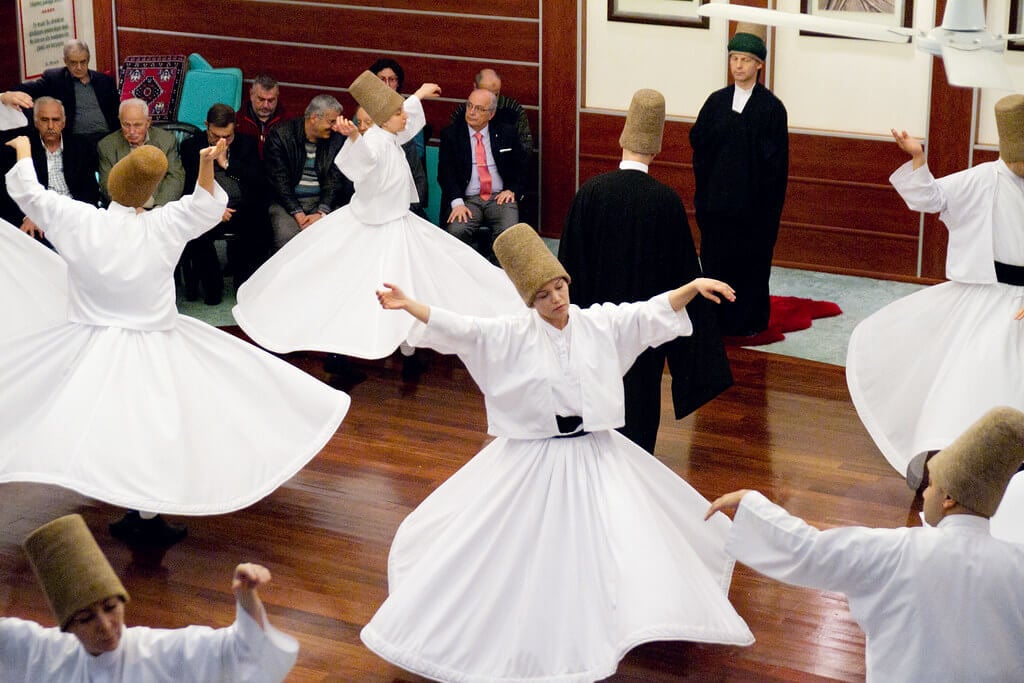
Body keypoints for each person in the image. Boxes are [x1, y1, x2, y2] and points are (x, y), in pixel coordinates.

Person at [361, 224, 753, 681]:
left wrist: (690, 287)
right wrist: (411, 305)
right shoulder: (512, 334)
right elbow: (466, 330)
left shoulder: (596, 323)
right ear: (530, 300)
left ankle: (618, 616)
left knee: (618, 535)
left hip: (595, 452)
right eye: (544, 294)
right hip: (536, 457)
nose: (557, 299)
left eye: (560, 287)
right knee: (519, 543)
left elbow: (645, 314)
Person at [0, 104, 349, 539]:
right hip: (152, 344)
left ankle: (125, 500)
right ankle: (145, 511)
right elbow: (205, 207)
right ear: (148, 192)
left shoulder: (81, 220)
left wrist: (20, 151)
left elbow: (30, 195)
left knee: (99, 423)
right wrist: (205, 166)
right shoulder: (161, 225)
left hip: (91, 346)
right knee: (153, 431)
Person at [704, 406, 1024, 681]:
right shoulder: (1017, 564)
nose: (924, 493)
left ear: (950, 498)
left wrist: (751, 502)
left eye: (932, 485)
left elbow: (809, 552)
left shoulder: (898, 552)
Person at [234, 71, 524, 374]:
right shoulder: (373, 140)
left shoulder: (391, 133)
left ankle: (407, 337)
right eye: (397, 113)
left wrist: (420, 94)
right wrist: (355, 136)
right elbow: (364, 157)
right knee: (352, 286)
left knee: (412, 280)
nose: (405, 117)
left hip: (397, 224)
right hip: (369, 227)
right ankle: (347, 346)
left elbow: (405, 115)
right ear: (383, 120)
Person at [846, 94, 1024, 488]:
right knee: (974, 379)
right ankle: (960, 468)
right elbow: (930, 198)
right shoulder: (982, 179)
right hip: (987, 296)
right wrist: (917, 159)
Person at [559, 88, 731, 454]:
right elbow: (683, 279)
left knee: (593, 416)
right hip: (643, 338)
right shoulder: (666, 202)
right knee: (639, 411)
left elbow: (568, 270)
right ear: (657, 148)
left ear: (622, 138)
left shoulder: (589, 193)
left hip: (595, 330)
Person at [1, 513, 298, 682]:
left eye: (110, 607)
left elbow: (237, 651)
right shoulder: (44, 653)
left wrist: (247, 597)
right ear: (67, 627)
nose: (105, 625)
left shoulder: (158, 651)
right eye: (86, 618)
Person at [690, 22, 788, 336]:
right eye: (734, 58)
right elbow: (699, 146)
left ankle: (749, 321)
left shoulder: (771, 109)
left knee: (750, 266)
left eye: (745, 59)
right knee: (716, 261)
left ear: (759, 64)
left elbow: (776, 168)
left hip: (752, 211)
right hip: (717, 206)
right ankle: (715, 319)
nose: (738, 65)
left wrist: (765, 209)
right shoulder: (716, 102)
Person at [179, 103, 270, 303]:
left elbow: (258, 180)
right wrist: (214, 209)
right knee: (196, 231)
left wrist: (227, 164)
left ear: (235, 128)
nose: (221, 141)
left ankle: (245, 285)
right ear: (206, 126)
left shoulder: (247, 144)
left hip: (241, 207)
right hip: (207, 208)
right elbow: (188, 188)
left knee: (260, 221)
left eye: (227, 136)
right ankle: (213, 288)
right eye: (215, 135)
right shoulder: (191, 147)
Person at [438, 87, 528, 259]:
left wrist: (512, 190)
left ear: (491, 114)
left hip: (499, 197)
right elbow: (445, 173)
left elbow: (521, 167)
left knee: (509, 235)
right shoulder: (451, 134)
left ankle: (498, 274)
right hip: (467, 199)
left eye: (479, 108)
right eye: (469, 106)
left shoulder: (506, 133)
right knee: (457, 231)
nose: (471, 112)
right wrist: (457, 203)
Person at [0, 95, 99, 249]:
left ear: (64, 122)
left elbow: (90, 192)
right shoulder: (24, 146)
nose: (51, 126)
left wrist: (76, 217)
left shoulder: (81, 147)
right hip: (39, 217)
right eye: (45, 120)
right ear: (36, 122)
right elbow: (8, 190)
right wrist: (30, 214)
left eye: (56, 120)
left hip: (72, 214)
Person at [263, 94, 353, 252]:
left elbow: (334, 180)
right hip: (286, 203)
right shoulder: (281, 135)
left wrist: (322, 212)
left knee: (335, 240)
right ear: (313, 118)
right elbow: (279, 180)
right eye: (331, 121)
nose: (334, 127)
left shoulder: (337, 139)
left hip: (321, 201)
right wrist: (298, 213)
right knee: (288, 239)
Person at [12, 39, 119, 146]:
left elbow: (116, 113)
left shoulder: (105, 81)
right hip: (76, 141)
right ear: (65, 61)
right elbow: (26, 89)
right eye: (73, 63)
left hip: (107, 138)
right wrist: (6, 96)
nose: (79, 67)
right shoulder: (55, 79)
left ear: (88, 60)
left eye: (83, 62)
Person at [97, 98, 185, 208]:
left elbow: (175, 178)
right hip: (125, 210)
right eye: (126, 125)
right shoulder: (107, 145)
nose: (132, 131)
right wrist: (131, 209)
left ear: (148, 122)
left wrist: (159, 208)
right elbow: (108, 186)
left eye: (137, 125)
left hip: (160, 208)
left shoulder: (166, 141)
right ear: (120, 121)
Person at [369, 58, 429, 216]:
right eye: (382, 79)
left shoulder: (407, 114)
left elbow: (417, 161)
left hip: (405, 189)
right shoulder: (364, 114)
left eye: (392, 79)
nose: (387, 85)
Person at [449, 67, 533, 155]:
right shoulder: (462, 112)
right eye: (487, 94)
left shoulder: (513, 110)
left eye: (496, 94)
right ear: (475, 88)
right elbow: (451, 150)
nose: (492, 99)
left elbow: (526, 148)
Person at [236, 74, 286, 158]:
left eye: (271, 100)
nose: (265, 105)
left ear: (277, 96)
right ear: (251, 94)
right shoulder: (237, 120)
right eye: (261, 99)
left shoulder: (287, 122)